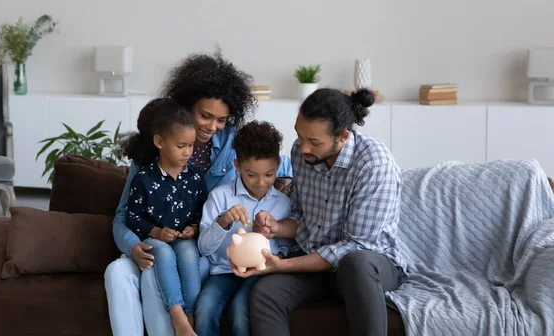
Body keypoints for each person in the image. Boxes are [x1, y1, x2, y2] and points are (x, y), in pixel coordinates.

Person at [104, 49, 292, 336]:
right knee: (117, 272)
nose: (213, 127)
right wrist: (132, 246)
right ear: (187, 106)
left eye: (222, 120)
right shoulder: (153, 147)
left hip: (198, 249)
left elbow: (274, 162)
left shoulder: (234, 144)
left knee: (161, 271)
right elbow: (123, 215)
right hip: (155, 240)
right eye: (205, 116)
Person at [234, 88, 407, 336]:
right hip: (317, 263)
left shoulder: (374, 164)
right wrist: (277, 227)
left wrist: (283, 265)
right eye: (300, 136)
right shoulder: (301, 153)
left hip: (369, 265)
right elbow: (303, 216)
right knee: (266, 292)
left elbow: (356, 245)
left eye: (314, 142)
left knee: (355, 264)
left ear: (343, 137)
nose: (303, 148)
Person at [195, 121, 292, 336]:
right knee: (205, 308)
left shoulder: (283, 204)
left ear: (277, 165)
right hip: (223, 272)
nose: (260, 182)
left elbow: (287, 247)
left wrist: (273, 256)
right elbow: (204, 248)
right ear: (237, 166)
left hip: (261, 274)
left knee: (241, 311)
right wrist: (223, 222)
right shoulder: (220, 196)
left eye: (269, 174)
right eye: (251, 174)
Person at [124, 99, 207, 336]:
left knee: (190, 256)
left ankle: (189, 314)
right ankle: (177, 315)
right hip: (156, 239)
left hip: (185, 239)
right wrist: (156, 233)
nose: (187, 152)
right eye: (181, 145)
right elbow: (133, 216)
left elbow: (203, 212)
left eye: (191, 146)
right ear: (159, 142)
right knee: (163, 253)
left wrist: (194, 227)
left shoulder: (196, 177)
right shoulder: (144, 178)